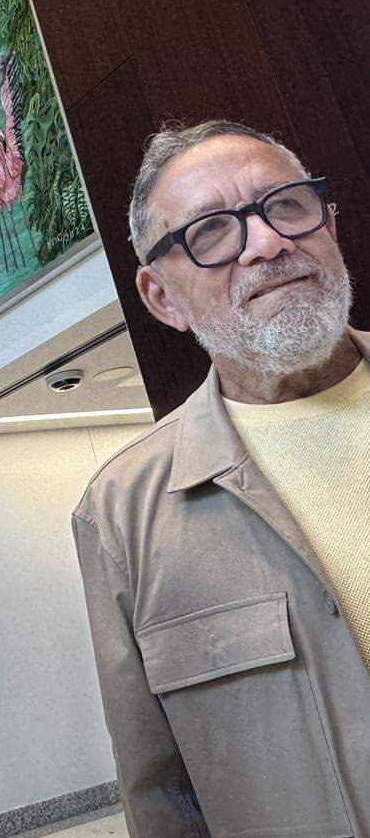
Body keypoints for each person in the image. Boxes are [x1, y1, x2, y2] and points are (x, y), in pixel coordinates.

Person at [74, 120, 369, 837]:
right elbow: (162, 792)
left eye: (287, 205)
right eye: (212, 232)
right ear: (161, 297)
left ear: (329, 223)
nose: (268, 242)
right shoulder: (122, 514)